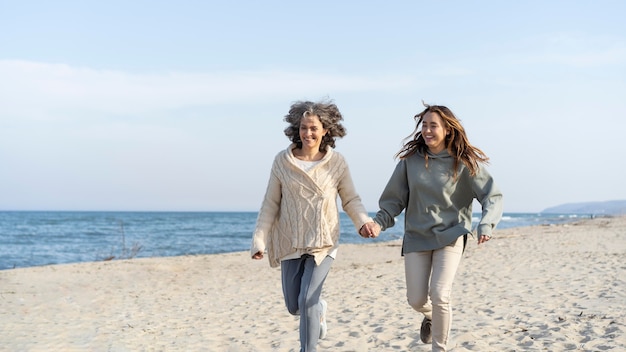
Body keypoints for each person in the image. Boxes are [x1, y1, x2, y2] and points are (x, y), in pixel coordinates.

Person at [360, 102, 503, 352]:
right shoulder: (410, 162)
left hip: (451, 235)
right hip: (417, 237)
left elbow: (492, 196)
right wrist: (378, 224)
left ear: (447, 129)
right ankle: (429, 316)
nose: (427, 130)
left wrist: (487, 224)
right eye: (424, 125)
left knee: (440, 294)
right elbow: (394, 200)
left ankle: (440, 347)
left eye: (433, 125)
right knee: (416, 299)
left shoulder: (465, 163)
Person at [251, 99, 376, 352]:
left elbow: (350, 199)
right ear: (297, 129)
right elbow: (270, 204)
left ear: (325, 131)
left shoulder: (336, 163)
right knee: (294, 306)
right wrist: (259, 240)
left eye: (313, 128)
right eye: (303, 128)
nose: (308, 133)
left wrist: (363, 222)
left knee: (308, 298)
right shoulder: (282, 162)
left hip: (324, 242)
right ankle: (319, 311)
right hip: (290, 240)